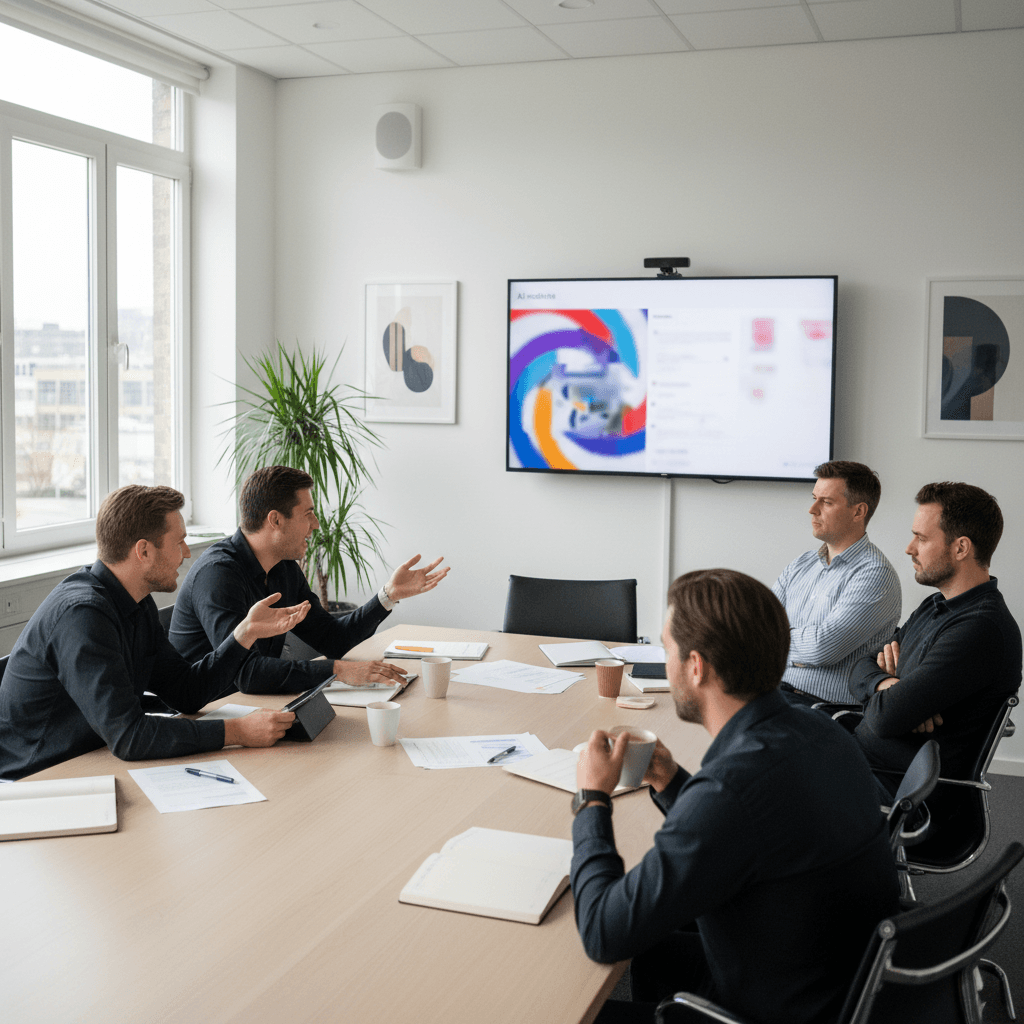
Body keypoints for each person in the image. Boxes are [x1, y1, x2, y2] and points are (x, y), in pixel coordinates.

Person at [571, 569, 899, 1024]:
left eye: (666, 649)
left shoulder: (733, 787)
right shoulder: (822, 730)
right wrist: (669, 780)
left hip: (775, 1005)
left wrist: (591, 799)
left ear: (696, 666)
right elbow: (747, 827)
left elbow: (604, 932)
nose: (663, 660)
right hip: (829, 979)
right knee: (652, 948)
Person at [0, 486, 309, 781]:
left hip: (94, 764)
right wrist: (237, 732)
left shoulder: (136, 602)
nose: (187, 553)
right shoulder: (83, 616)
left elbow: (185, 692)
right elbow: (129, 737)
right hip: (36, 780)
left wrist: (244, 634)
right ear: (144, 551)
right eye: (180, 542)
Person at [170, 465, 450, 693]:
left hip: (254, 708)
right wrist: (337, 671)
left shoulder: (283, 567)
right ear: (275, 520)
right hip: (208, 714)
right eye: (308, 514)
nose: (316, 524)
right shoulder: (218, 575)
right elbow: (247, 674)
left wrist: (389, 595)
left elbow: (333, 640)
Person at [848, 482, 1022, 793]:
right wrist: (887, 684)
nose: (909, 548)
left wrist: (893, 701)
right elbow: (861, 664)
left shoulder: (981, 628)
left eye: (922, 538)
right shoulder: (935, 605)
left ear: (960, 548)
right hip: (864, 767)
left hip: (901, 793)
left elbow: (886, 718)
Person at [772, 459, 901, 705]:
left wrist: (773, 640)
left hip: (822, 708)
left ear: (858, 511)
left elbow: (821, 648)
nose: (812, 510)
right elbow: (754, 627)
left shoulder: (875, 575)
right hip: (777, 693)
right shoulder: (801, 564)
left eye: (827, 502)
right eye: (814, 498)